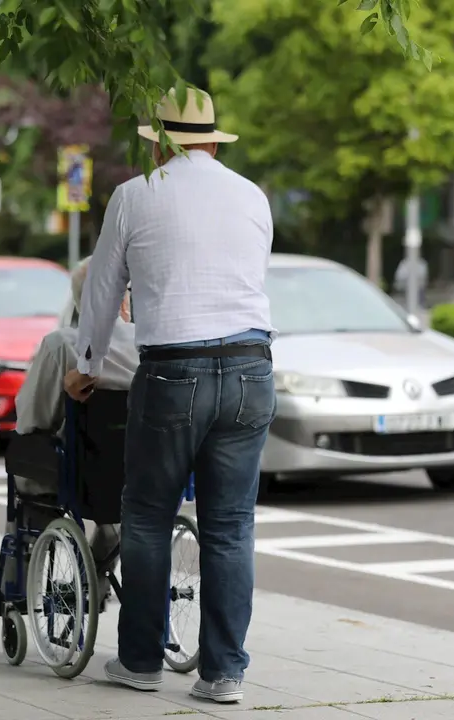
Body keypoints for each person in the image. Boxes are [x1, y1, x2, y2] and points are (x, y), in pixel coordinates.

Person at [64, 87, 274, 704]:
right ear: (212, 140)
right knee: (232, 526)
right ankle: (223, 674)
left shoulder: (134, 197)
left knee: (149, 516)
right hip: (250, 367)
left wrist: (85, 366)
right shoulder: (252, 196)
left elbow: (102, 291)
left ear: (159, 143)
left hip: (172, 372)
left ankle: (140, 662)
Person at [0, 256, 139, 599]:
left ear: (81, 301)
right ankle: (96, 573)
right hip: (143, 467)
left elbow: (32, 417)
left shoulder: (62, 345)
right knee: (117, 506)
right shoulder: (149, 346)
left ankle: (15, 582)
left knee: (29, 478)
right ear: (124, 299)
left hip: (82, 470)